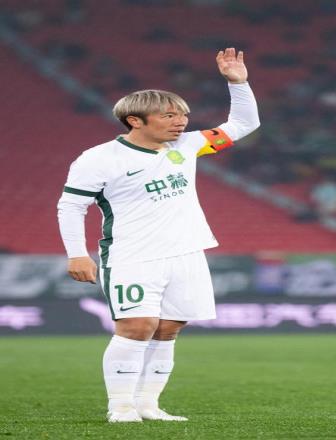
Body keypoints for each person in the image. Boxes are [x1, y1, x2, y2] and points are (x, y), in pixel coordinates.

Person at [57, 48, 260, 423]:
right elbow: (71, 206)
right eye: (169, 116)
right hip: (132, 255)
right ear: (135, 120)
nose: (180, 122)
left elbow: (244, 123)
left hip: (186, 253)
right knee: (136, 326)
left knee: (168, 329)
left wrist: (238, 83)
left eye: (183, 115)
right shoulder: (98, 158)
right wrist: (77, 253)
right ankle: (120, 406)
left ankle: (148, 404)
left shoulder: (188, 145)